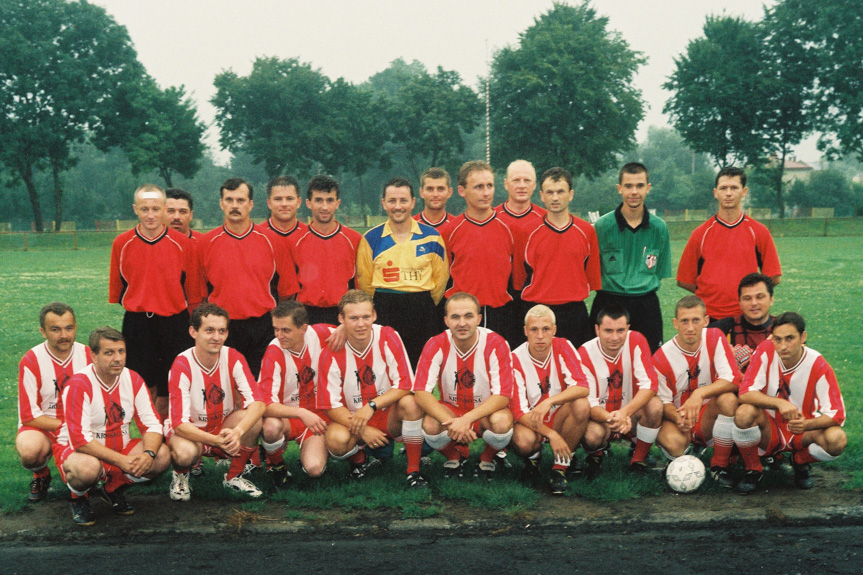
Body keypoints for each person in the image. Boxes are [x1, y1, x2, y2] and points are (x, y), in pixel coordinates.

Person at [53, 327, 170, 525]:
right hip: (80, 453)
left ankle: (112, 488)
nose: (117, 358)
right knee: (87, 469)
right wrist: (123, 462)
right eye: (109, 352)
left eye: (121, 351)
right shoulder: (79, 384)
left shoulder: (133, 379)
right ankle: (78, 497)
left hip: (118, 449)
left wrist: (148, 453)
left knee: (162, 455)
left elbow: (152, 425)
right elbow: (81, 441)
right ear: (94, 356)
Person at [109, 184, 204, 417]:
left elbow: (193, 293)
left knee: (171, 385)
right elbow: (119, 289)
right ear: (135, 210)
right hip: (138, 323)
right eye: (144, 209)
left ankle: (172, 433)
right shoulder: (122, 243)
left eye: (155, 208)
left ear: (164, 209)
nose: (150, 215)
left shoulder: (184, 244)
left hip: (174, 323)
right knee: (142, 384)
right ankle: (151, 437)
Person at [317, 291, 427, 488]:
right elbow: (329, 405)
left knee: (411, 403)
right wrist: (364, 429)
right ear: (341, 319)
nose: (361, 324)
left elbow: (404, 384)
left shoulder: (388, 336)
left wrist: (372, 405)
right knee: (336, 440)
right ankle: (359, 460)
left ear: (374, 315)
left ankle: (413, 470)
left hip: (385, 414)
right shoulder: (330, 352)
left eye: (366, 317)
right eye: (353, 318)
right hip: (353, 418)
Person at [733, 312, 846, 493]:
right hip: (769, 429)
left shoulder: (818, 364)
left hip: (802, 431)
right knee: (744, 413)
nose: (783, 346)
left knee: (837, 439)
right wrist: (779, 403)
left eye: (789, 338)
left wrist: (806, 424)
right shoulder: (765, 350)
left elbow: (837, 414)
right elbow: (745, 393)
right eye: (777, 339)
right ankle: (753, 469)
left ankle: (800, 461)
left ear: (803, 337)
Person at [166, 303, 267, 501]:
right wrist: (216, 442)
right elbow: (179, 424)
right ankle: (180, 475)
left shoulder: (233, 357)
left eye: (222, 331)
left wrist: (237, 432)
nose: (216, 337)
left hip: (223, 427)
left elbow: (258, 403)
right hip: (192, 432)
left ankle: (233, 477)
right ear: (193, 332)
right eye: (209, 330)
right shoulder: (182, 364)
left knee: (254, 420)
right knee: (184, 454)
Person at [199, 177, 299, 378]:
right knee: (225, 386)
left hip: (263, 327)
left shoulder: (273, 241)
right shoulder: (205, 243)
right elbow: (198, 294)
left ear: (251, 204)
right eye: (229, 200)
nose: (235, 206)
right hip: (222, 327)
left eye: (241, 200)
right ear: (221, 203)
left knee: (262, 386)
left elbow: (287, 292)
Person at [414, 292, 514, 481]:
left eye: (468, 316)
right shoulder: (435, 343)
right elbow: (421, 392)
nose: (462, 323)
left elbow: (503, 395)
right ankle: (455, 456)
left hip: (485, 412)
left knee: (501, 422)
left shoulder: (496, 343)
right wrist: (454, 422)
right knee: (430, 424)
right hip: (452, 410)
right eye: (455, 317)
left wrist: (466, 419)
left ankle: (488, 457)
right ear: (446, 320)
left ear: (479, 318)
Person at [357, 177, 449, 366]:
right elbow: (365, 281)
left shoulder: (432, 236)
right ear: (383, 203)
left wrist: (424, 303)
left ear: (413, 202)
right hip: (385, 308)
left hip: (422, 309)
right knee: (387, 369)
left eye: (403, 200)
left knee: (421, 370)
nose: (398, 206)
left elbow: (440, 280)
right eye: (392, 201)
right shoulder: (370, 239)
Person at [653, 296, 741, 487]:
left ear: (706, 321)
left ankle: (719, 465)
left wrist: (699, 394)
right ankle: (682, 457)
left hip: (708, 416)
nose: (690, 328)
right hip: (680, 418)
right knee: (673, 444)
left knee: (728, 399)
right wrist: (678, 417)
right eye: (684, 321)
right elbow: (664, 402)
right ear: (675, 323)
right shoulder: (661, 358)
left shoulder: (716, 337)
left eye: (696, 320)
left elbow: (733, 379)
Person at [677, 166, 782, 321]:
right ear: (715, 193)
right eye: (723, 188)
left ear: (744, 192)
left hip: (746, 318)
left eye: (734, 188)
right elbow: (684, 280)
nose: (728, 193)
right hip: (709, 317)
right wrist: (711, 295)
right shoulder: (700, 234)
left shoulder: (759, 231)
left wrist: (750, 297)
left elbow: (773, 277)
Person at [509, 305, 590, 495]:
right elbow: (519, 413)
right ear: (525, 331)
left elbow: (582, 386)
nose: (540, 335)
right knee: (523, 441)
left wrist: (549, 402)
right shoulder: (514, 359)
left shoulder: (563, 346)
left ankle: (560, 468)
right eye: (534, 329)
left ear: (554, 330)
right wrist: (551, 435)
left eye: (545, 329)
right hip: (532, 422)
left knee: (581, 405)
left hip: (559, 416)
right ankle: (534, 458)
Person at [591, 162, 671, 352]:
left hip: (646, 305)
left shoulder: (659, 228)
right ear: (619, 189)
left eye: (640, 185)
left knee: (649, 362)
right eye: (628, 186)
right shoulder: (602, 227)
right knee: (603, 364)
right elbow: (594, 270)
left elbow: (658, 272)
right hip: (608, 303)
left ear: (648, 188)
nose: (634, 192)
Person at [17, 302, 91, 503]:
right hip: (44, 425)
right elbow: (28, 416)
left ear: (75, 327)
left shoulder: (88, 356)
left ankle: (106, 481)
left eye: (68, 328)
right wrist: (67, 426)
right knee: (30, 451)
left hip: (79, 425)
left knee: (85, 472)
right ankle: (41, 475)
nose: (63, 335)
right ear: (43, 331)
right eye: (55, 329)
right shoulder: (31, 360)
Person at [439, 161, 517, 344]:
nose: (486, 192)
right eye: (479, 187)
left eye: (490, 186)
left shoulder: (510, 229)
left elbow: (517, 278)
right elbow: (443, 279)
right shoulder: (450, 231)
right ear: (461, 190)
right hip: (461, 316)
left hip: (501, 314)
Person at [522, 167, 601, 347]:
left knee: (575, 369)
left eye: (560, 192)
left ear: (570, 194)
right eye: (550, 192)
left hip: (574, 313)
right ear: (542, 195)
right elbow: (520, 277)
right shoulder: (527, 231)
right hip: (537, 312)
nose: (555, 197)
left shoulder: (586, 231)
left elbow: (592, 277)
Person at [579, 305, 661, 477]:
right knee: (592, 436)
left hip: (630, 414)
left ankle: (638, 459)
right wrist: (613, 418)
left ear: (628, 329)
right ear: (597, 329)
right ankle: (596, 455)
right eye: (608, 330)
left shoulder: (637, 340)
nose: (615, 337)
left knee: (655, 406)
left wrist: (624, 413)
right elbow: (590, 404)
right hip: (601, 418)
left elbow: (650, 384)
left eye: (620, 330)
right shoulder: (584, 353)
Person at [258, 301, 332, 488]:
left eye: (286, 330)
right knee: (270, 427)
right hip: (288, 417)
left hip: (318, 416)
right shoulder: (274, 351)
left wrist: (343, 331)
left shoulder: (320, 333)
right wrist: (301, 413)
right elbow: (265, 404)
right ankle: (277, 466)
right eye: (276, 329)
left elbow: (354, 327)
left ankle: (319, 450)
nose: (279, 336)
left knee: (314, 469)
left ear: (303, 328)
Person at [293, 175, 362, 326]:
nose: (324, 207)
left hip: (343, 314)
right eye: (318, 200)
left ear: (337, 203)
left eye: (329, 200)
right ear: (308, 203)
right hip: (305, 315)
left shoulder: (354, 239)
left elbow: (358, 285)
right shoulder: (296, 240)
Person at [494, 160, 547, 344]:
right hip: (500, 301)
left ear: (534, 185)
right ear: (506, 183)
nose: (522, 185)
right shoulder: (492, 218)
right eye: (516, 180)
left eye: (527, 180)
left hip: (536, 298)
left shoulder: (546, 219)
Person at [709, 273, 776, 373]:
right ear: (739, 302)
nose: (754, 303)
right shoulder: (723, 329)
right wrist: (725, 359)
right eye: (747, 298)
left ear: (771, 300)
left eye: (760, 297)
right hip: (734, 387)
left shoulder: (783, 328)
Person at [260, 175, 308, 252]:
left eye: (289, 199)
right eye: (278, 199)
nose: (284, 204)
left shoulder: (309, 235)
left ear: (299, 202)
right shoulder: (257, 236)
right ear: (269, 203)